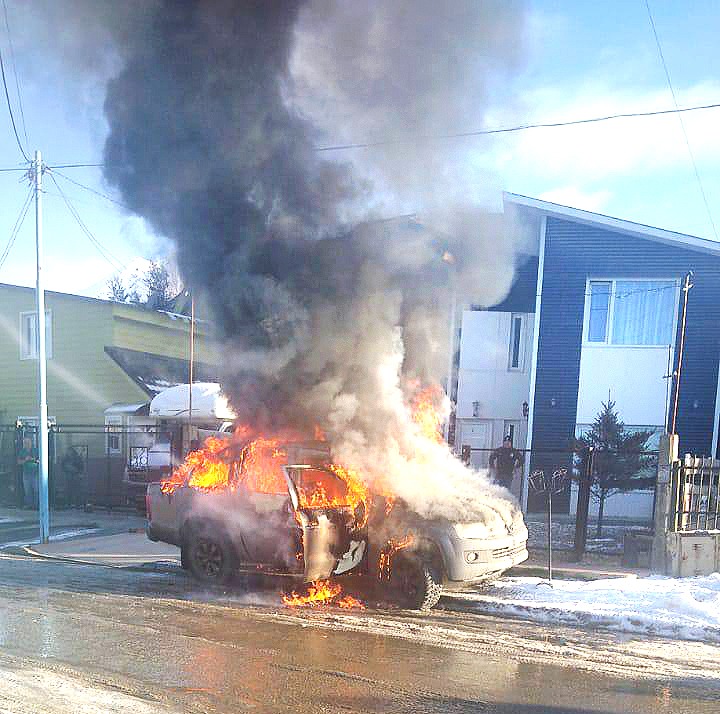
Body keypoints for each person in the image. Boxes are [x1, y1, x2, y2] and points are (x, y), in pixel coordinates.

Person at [17, 437, 39, 509]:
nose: (27, 444)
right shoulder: (22, 451)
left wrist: (34, 460)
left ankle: (37, 506)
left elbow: (42, 460)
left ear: (31, 443)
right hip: (26, 474)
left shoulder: (36, 450)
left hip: (35, 473)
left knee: (36, 490)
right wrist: (25, 460)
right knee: (27, 491)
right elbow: (18, 462)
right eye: (25, 443)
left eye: (28, 442)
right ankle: (29, 505)